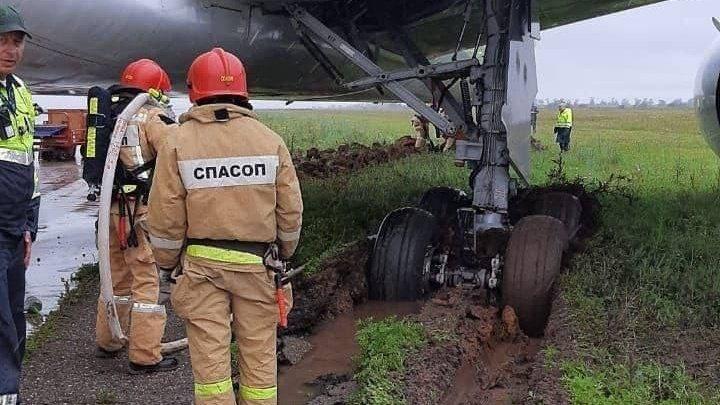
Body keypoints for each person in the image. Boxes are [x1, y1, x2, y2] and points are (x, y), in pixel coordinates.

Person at [147, 47, 302, 405]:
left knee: (212, 376)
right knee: (260, 369)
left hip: (201, 272)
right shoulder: (269, 140)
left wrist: (167, 263)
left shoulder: (177, 143)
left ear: (194, 91)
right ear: (243, 92)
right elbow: (291, 212)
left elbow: (165, 216)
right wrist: (285, 253)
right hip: (259, 268)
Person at [93, 59, 179, 374]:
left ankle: (109, 341)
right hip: (139, 212)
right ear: (154, 89)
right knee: (147, 281)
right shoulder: (152, 117)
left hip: (111, 209)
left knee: (115, 278)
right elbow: (177, 153)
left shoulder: (109, 116)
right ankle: (144, 356)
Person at [0, 6, 38, 404]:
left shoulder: (21, 91)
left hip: (13, 227)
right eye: (2, 41)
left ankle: (10, 393)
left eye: (16, 41)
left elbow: (27, 160)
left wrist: (29, 223)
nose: (10, 50)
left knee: (15, 317)